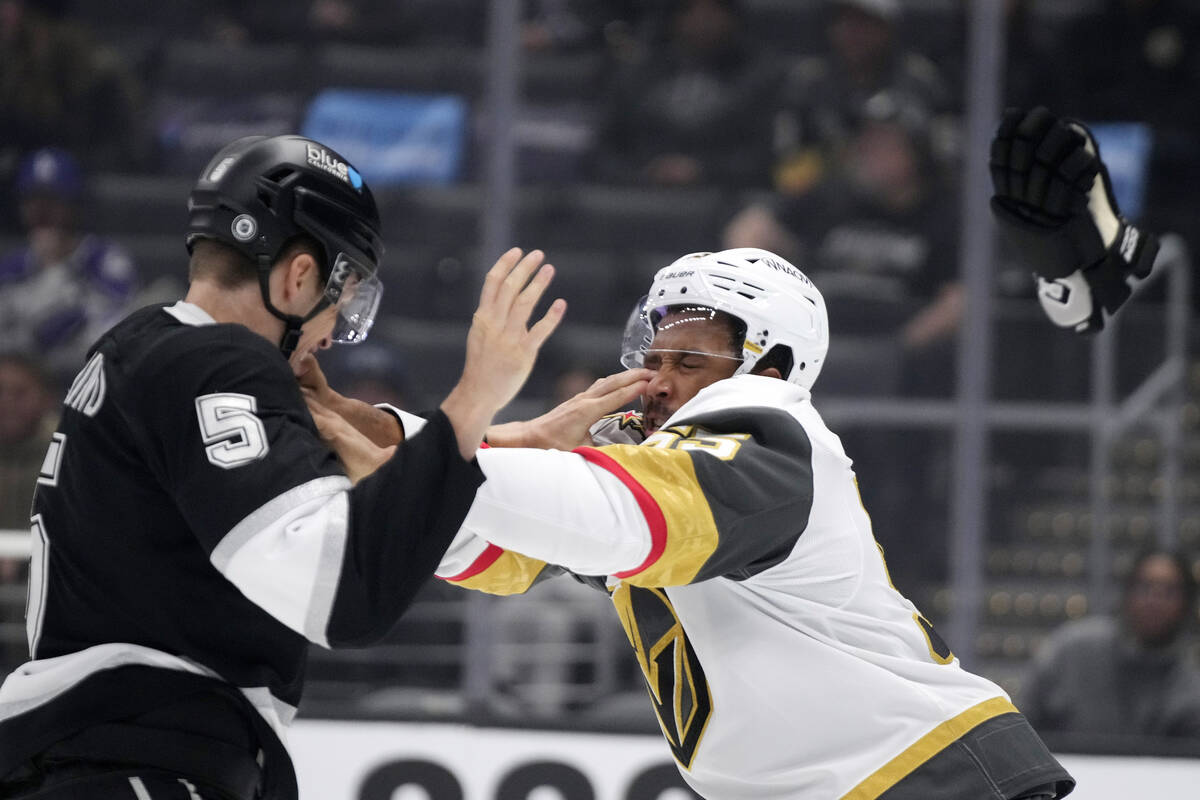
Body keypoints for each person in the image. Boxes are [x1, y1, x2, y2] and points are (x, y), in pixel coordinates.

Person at [309, 248, 1075, 799]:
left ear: (768, 367)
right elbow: (492, 549)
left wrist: (471, 450)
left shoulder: (771, 428)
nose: (658, 379)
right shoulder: (656, 473)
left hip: (925, 773)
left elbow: (612, 514)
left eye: (688, 358)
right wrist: (329, 416)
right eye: (654, 353)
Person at [0, 134, 565, 800]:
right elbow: (341, 590)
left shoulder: (145, 344)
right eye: (342, 299)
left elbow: (389, 505)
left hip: (97, 750)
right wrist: (472, 401)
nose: (333, 333)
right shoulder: (219, 365)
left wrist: (506, 447)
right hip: (131, 752)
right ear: (298, 277)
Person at [1021, 548, 1200, 744]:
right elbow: (1023, 727)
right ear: (1126, 593)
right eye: (1145, 587)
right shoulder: (1072, 651)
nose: (1154, 601)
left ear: (1187, 604)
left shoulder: (1190, 685)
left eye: (1169, 592)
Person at [0, 147, 142, 385]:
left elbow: (120, 335)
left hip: (89, 384)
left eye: (53, 201)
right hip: (25, 391)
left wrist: (59, 270)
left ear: (75, 204)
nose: (41, 211)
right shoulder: (11, 267)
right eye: (33, 200)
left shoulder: (104, 261)